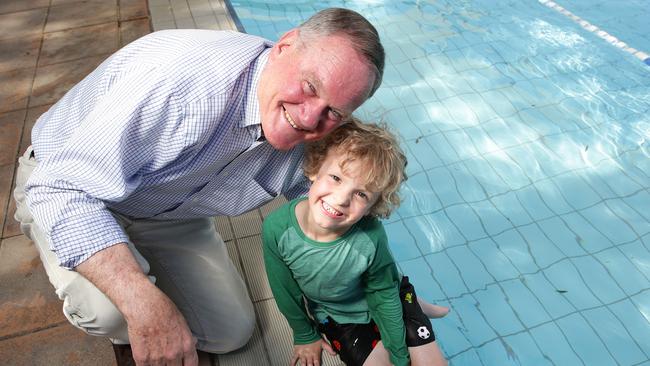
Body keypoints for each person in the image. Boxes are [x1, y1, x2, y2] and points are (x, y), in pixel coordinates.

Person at [12, 8, 385, 366]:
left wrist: (391, 299)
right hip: (72, 187)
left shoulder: (321, 132)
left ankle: (132, 264)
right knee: (109, 312)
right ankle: (87, 257)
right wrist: (144, 303)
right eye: (308, 86)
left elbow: (336, 211)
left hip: (168, 212)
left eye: (334, 112)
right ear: (284, 46)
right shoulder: (182, 87)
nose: (308, 118)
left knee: (231, 332)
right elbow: (61, 188)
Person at [262, 120, 449, 366]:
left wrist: (400, 357)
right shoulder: (278, 229)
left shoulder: (371, 235)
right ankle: (414, 305)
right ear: (315, 168)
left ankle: (411, 301)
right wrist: (304, 334)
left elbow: (382, 293)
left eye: (361, 194)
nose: (340, 199)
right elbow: (285, 290)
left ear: (373, 206)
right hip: (338, 314)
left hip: (387, 295)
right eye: (336, 177)